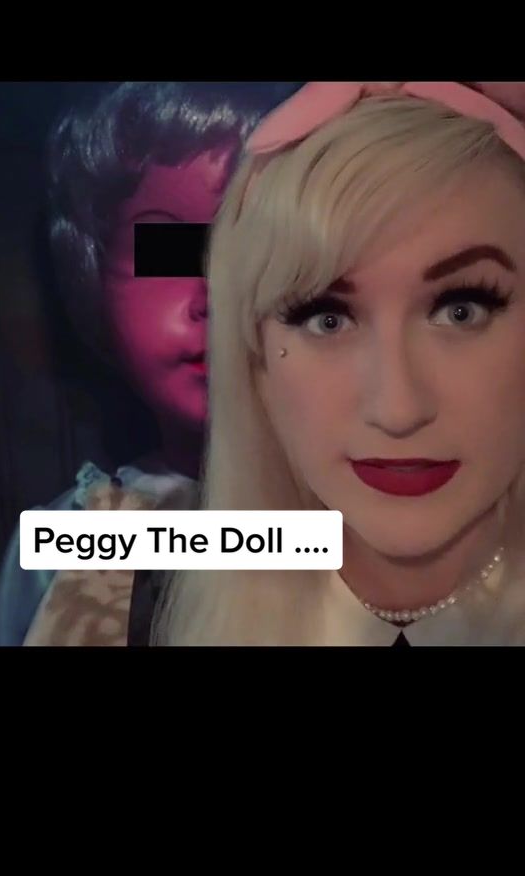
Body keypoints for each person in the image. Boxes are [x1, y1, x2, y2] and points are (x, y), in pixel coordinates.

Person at [149, 81, 525, 646]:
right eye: (325, 318)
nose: (398, 410)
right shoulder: (113, 602)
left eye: (461, 310)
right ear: (256, 362)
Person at [0, 81, 300, 646]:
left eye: (268, 251)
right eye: (168, 250)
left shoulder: (399, 525)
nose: (219, 294)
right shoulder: (72, 542)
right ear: (94, 276)